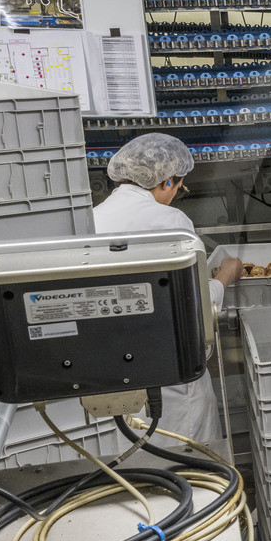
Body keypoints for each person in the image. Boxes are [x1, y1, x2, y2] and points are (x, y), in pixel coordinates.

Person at [93, 132, 240, 446]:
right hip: (172, 377)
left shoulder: (92, 219)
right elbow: (194, 306)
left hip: (114, 371)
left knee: (136, 464)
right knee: (192, 471)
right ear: (166, 181)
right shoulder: (170, 221)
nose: (176, 194)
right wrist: (224, 277)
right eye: (180, 186)